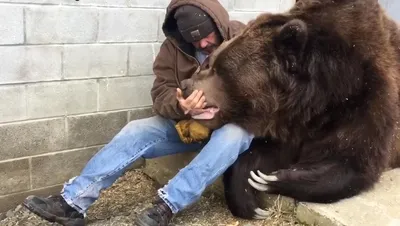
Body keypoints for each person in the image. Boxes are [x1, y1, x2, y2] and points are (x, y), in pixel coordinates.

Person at [22, 0, 252, 226]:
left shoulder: (246, 39)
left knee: (235, 135)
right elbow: (161, 94)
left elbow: (266, 93)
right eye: (193, 38)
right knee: (137, 129)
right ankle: (72, 203)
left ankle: (167, 205)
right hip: (189, 127)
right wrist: (181, 106)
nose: (202, 43)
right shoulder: (172, 49)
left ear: (218, 23)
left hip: (233, 124)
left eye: (207, 35)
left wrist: (222, 109)